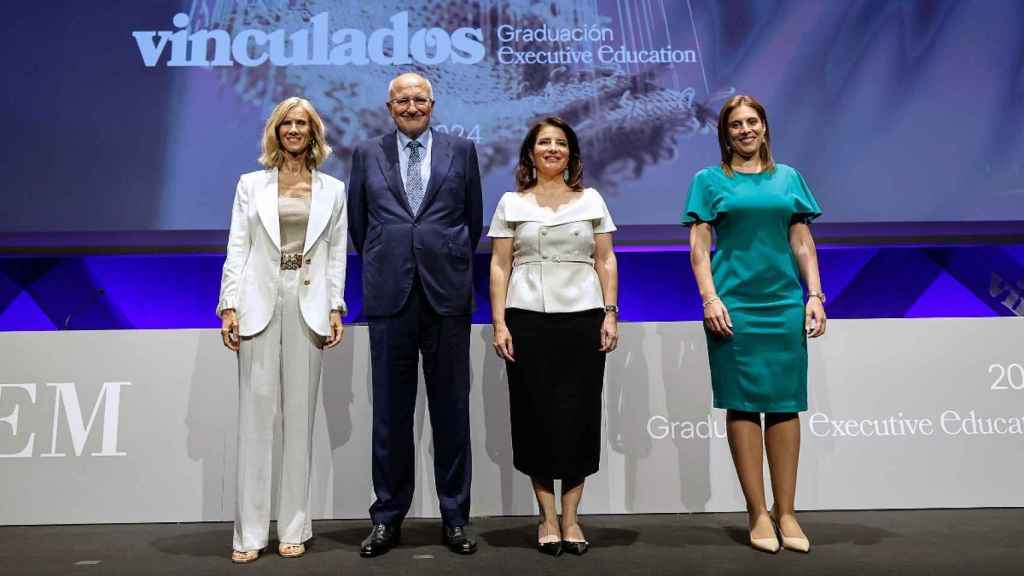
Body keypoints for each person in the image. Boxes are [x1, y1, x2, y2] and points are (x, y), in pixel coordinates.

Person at [347, 72, 483, 557]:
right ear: (389, 107)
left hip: (446, 298)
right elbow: (360, 228)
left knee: (452, 413)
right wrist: (394, 257)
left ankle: (455, 518)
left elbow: (472, 221)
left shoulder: (461, 152)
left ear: (433, 103)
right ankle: (387, 518)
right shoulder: (366, 154)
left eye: (419, 99)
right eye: (402, 100)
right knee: (389, 416)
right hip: (390, 299)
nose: (411, 106)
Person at [682, 95, 825, 554]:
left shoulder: (789, 178)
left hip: (782, 303)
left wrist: (815, 295)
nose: (745, 130)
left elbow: (801, 240)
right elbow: (699, 249)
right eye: (736, 125)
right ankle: (757, 512)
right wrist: (710, 298)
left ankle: (787, 512)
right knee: (742, 406)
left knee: (784, 405)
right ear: (725, 134)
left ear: (764, 126)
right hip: (733, 306)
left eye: (752, 122)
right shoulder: (709, 181)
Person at [217, 97, 348, 563]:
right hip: (256, 300)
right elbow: (238, 245)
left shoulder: (333, 189)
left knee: (299, 420)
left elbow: (336, 252)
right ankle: (249, 534)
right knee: (255, 420)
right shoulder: (250, 185)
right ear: (275, 131)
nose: (294, 130)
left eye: (302, 124)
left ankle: (294, 527)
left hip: (308, 300)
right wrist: (228, 305)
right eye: (287, 123)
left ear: (314, 133)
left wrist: (336, 305)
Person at [488, 117, 619, 557]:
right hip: (526, 319)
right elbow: (500, 266)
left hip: (583, 317)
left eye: (560, 143)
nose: (552, 149)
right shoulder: (510, 202)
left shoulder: (592, 199)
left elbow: (605, 260)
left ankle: (571, 518)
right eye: (544, 142)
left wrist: (610, 313)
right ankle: (545, 517)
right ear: (530, 153)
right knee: (534, 417)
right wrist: (500, 322)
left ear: (571, 153)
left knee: (578, 416)